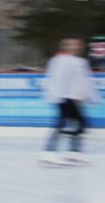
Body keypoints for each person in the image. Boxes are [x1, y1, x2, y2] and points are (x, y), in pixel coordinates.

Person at [40, 36, 99, 166]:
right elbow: (57, 79)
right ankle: (49, 151)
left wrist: (91, 96)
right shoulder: (60, 60)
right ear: (65, 47)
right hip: (64, 97)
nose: (75, 47)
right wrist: (58, 96)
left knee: (79, 125)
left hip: (76, 99)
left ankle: (74, 152)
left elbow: (85, 81)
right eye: (71, 45)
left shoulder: (81, 61)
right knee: (63, 124)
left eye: (77, 45)